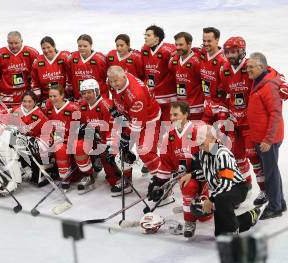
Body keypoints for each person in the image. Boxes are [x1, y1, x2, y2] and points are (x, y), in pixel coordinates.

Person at [180, 125, 261, 236]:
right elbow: (208, 173)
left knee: (221, 199)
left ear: (213, 139)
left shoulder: (222, 154)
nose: (199, 143)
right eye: (199, 139)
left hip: (237, 188)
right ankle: (250, 217)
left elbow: (226, 183)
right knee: (220, 233)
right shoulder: (204, 153)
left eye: (203, 139)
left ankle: (233, 232)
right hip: (221, 191)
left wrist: (211, 200)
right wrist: (192, 174)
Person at [151, 102, 211, 238]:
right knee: (187, 187)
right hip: (187, 179)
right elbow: (165, 163)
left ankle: (205, 201)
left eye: (176, 114)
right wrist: (158, 184)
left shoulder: (199, 129)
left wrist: (202, 170)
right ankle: (189, 220)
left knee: (205, 216)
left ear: (186, 115)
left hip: (206, 176)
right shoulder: (168, 136)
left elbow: (216, 151)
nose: (172, 117)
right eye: (171, 114)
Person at [219, 37, 266, 204]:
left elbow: (270, 74)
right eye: (228, 52)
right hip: (233, 122)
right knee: (237, 158)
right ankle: (244, 188)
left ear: (242, 51)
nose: (231, 55)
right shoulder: (224, 69)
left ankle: (265, 190)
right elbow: (224, 94)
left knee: (254, 157)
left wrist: (280, 84)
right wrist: (224, 112)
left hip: (249, 123)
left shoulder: (250, 66)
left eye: (234, 51)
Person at [247, 52, 286, 219]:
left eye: (251, 67)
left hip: (267, 139)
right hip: (261, 137)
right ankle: (280, 202)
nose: (247, 70)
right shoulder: (258, 80)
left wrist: (268, 140)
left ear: (261, 67)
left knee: (270, 173)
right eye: (247, 66)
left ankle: (275, 207)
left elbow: (275, 113)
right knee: (272, 171)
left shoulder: (268, 86)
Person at [107, 66, 161, 178]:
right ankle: (127, 179)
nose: (113, 84)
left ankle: (161, 179)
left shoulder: (136, 95)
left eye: (116, 81)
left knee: (144, 151)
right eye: (111, 81)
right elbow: (116, 96)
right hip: (130, 116)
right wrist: (116, 111)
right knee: (119, 149)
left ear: (124, 76)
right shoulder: (112, 81)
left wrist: (125, 139)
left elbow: (137, 126)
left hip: (149, 119)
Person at [78, 79, 124, 195]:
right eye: (84, 93)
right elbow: (83, 123)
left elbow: (115, 127)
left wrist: (109, 145)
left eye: (89, 92)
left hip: (114, 137)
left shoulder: (106, 104)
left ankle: (122, 178)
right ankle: (90, 173)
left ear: (97, 91)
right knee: (79, 146)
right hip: (98, 138)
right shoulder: (83, 106)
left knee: (108, 157)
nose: (86, 95)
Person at [43, 85, 85, 190]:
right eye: (50, 96)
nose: (52, 99)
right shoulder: (48, 109)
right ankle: (65, 177)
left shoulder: (73, 108)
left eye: (55, 96)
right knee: (59, 148)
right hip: (59, 140)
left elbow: (81, 127)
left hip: (73, 139)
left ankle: (87, 175)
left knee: (74, 147)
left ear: (62, 95)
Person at [8, 91, 52, 187]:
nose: (27, 104)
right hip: (23, 139)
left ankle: (36, 168)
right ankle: (24, 167)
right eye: (24, 101)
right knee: (10, 142)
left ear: (35, 102)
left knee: (23, 144)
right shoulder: (16, 111)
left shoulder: (40, 115)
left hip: (40, 140)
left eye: (30, 101)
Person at [140, 25, 177, 122]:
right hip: (152, 95)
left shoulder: (168, 50)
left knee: (168, 125)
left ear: (157, 38)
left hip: (168, 96)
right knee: (153, 125)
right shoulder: (144, 50)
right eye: (145, 35)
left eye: (148, 35)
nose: (145, 37)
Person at [0, 31, 39, 107]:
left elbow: (36, 76)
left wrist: (35, 95)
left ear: (21, 41)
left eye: (16, 43)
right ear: (7, 42)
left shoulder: (32, 53)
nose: (14, 46)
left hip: (25, 97)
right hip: (6, 98)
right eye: (11, 43)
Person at [169, 32, 204, 120]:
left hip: (196, 108)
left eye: (181, 45)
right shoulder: (173, 61)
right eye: (176, 44)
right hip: (181, 108)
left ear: (189, 44)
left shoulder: (197, 61)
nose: (177, 47)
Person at [199, 27, 228, 124]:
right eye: (204, 41)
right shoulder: (202, 53)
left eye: (209, 41)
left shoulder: (223, 61)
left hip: (220, 109)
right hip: (207, 106)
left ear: (217, 40)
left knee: (220, 138)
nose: (206, 44)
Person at [31, 36, 70, 106]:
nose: (46, 50)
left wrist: (68, 94)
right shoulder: (37, 61)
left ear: (54, 46)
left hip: (64, 99)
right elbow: (35, 83)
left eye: (48, 47)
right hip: (46, 100)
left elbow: (70, 76)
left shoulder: (65, 56)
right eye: (43, 48)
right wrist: (37, 99)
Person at [67, 34, 108, 101]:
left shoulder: (100, 59)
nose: (82, 48)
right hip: (79, 97)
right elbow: (69, 76)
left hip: (98, 98)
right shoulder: (72, 57)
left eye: (85, 46)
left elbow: (104, 77)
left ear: (91, 45)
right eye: (80, 46)